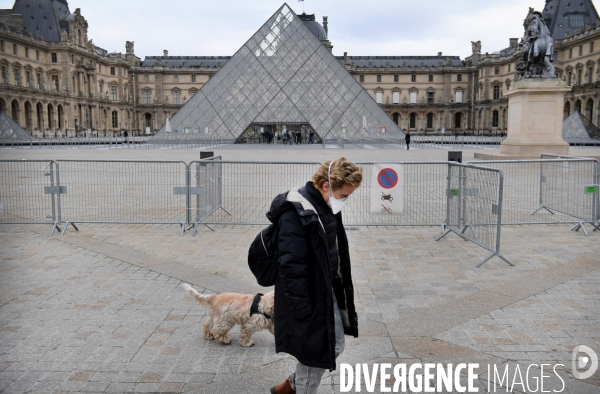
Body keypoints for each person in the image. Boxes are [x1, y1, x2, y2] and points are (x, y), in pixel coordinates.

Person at [269, 158, 363, 394]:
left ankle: (291, 385)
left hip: (324, 289)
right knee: (320, 349)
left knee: (332, 345)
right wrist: (303, 312)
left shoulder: (325, 206)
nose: (344, 201)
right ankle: (298, 388)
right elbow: (292, 269)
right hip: (307, 297)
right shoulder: (296, 215)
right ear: (325, 185)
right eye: (344, 195)